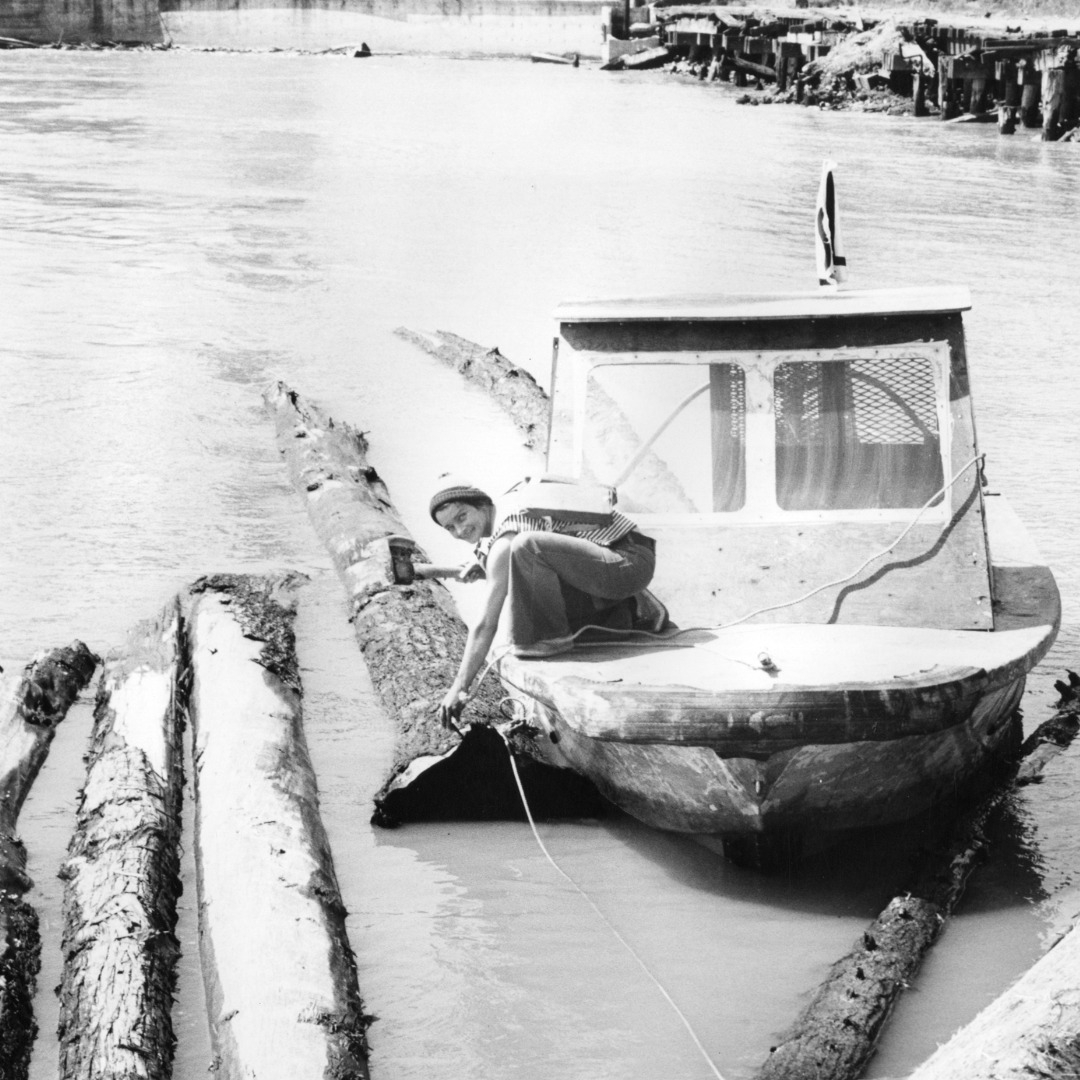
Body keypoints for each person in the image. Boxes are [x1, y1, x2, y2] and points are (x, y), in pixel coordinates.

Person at [415, 476, 657, 728]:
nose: (459, 530)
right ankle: (625, 615)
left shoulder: (507, 537)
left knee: (527, 546)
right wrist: (488, 567)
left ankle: (548, 641)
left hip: (626, 563)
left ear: (482, 505)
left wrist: (459, 687)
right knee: (525, 555)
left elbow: (486, 622)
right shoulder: (506, 521)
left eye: (462, 516)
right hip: (622, 561)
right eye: (450, 528)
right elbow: (544, 564)